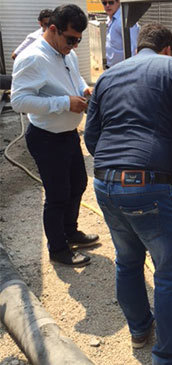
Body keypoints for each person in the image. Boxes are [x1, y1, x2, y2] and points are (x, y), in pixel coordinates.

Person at [84, 23, 172, 364]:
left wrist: (114, 168)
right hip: (147, 186)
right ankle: (167, 357)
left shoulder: (108, 77)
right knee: (169, 272)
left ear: (139, 46)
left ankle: (140, 329)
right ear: (168, 48)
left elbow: (91, 136)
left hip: (104, 183)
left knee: (127, 261)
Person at [10, 4, 99, 267]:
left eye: (78, 41)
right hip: (46, 138)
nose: (73, 46)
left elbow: (76, 78)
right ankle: (58, 248)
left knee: (78, 184)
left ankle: (70, 232)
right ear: (52, 29)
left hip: (67, 134)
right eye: (70, 39)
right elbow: (19, 100)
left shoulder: (66, 53)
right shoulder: (34, 57)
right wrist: (63, 103)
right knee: (58, 194)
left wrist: (84, 90)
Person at [102, 0, 141, 69]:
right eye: (104, 3)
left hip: (123, 70)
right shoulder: (111, 19)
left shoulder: (123, 20)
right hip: (112, 68)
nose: (107, 5)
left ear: (118, 2)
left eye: (111, 2)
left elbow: (133, 48)